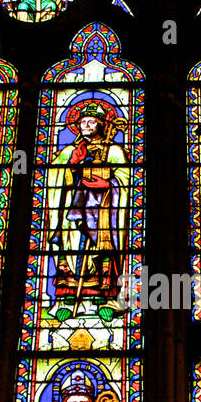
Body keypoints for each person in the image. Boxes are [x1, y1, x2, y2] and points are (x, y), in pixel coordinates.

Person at [47, 99, 129, 323]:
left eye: (92, 121)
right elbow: (53, 178)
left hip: (102, 211)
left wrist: (109, 184)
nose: (87, 126)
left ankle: (101, 301)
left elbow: (125, 178)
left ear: (102, 124)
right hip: (74, 211)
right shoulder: (70, 151)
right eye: (83, 122)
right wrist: (72, 165)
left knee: (101, 252)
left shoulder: (114, 150)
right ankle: (68, 300)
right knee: (70, 248)